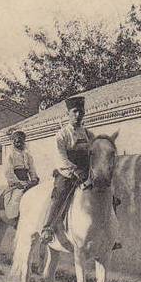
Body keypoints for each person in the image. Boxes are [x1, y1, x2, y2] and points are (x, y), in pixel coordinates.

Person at [40, 96, 93, 244]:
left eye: (81, 112)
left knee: (107, 191)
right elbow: (60, 157)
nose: (78, 115)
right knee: (60, 194)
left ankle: (110, 233)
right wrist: (74, 170)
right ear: (68, 114)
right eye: (75, 112)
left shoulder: (89, 134)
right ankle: (48, 228)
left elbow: (94, 153)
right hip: (68, 174)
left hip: (87, 172)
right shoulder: (62, 135)